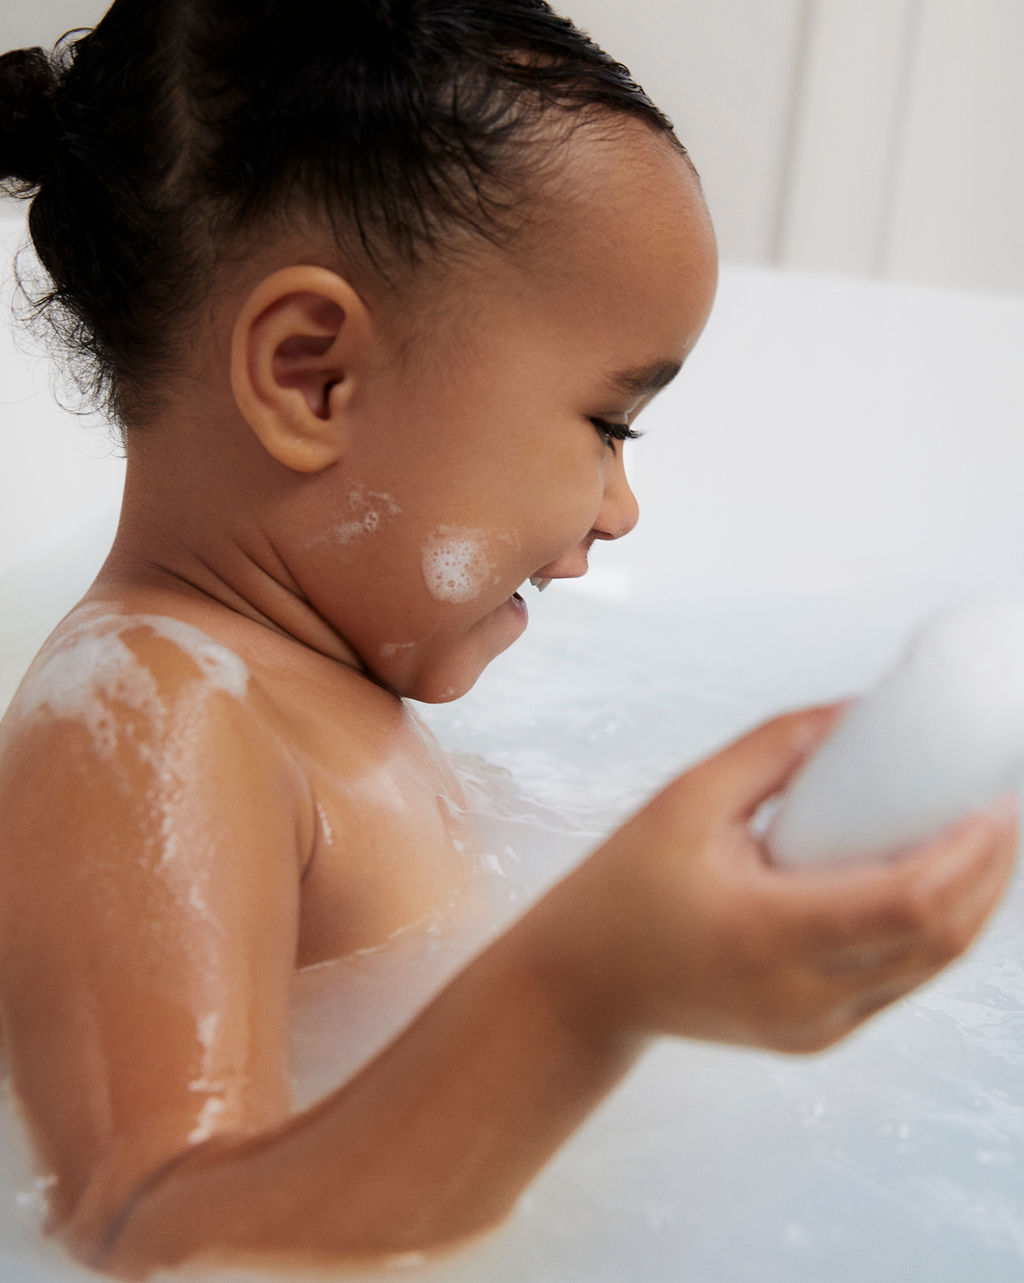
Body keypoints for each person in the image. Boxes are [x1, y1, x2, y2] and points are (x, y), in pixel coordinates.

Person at [0, 2, 1015, 1278]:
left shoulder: (284, 686)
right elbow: (147, 1237)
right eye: (609, 425)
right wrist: (594, 983)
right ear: (313, 375)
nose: (620, 506)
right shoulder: (149, 721)